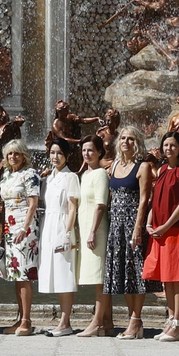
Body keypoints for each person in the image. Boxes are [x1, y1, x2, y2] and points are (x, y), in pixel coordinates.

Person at [143, 129, 179, 341]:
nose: (169, 148)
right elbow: (155, 200)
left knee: (178, 277)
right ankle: (170, 318)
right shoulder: (163, 169)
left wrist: (165, 225)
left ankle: (178, 322)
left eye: (173, 145)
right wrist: (149, 221)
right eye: (166, 145)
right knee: (167, 277)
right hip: (161, 230)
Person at [104, 126, 154, 339]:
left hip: (133, 223)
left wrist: (138, 227)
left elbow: (144, 199)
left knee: (136, 271)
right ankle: (133, 319)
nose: (126, 141)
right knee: (123, 273)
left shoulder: (142, 167)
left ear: (137, 143)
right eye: (123, 138)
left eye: (131, 139)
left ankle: (136, 320)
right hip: (116, 225)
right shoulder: (114, 165)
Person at [39, 138, 81, 335]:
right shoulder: (50, 178)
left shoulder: (70, 177)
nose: (55, 157)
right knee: (55, 272)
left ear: (67, 156)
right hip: (49, 225)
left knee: (65, 273)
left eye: (59, 153)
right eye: (52, 152)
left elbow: (72, 208)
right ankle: (62, 322)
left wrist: (67, 232)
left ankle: (65, 322)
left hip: (63, 226)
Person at [0, 139, 41, 335]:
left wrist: (24, 228)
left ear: (24, 155)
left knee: (24, 275)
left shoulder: (30, 174)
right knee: (16, 274)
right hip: (10, 228)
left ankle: (27, 320)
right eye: (9, 154)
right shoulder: (7, 175)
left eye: (17, 153)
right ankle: (20, 318)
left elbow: (33, 203)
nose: (13, 157)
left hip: (24, 227)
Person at [74, 134, 113, 337]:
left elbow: (100, 205)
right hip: (87, 230)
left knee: (100, 279)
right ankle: (107, 323)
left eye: (90, 150)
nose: (86, 154)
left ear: (99, 152)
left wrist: (92, 232)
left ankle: (96, 322)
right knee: (98, 278)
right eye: (84, 150)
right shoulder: (85, 175)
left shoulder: (99, 174)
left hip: (96, 231)